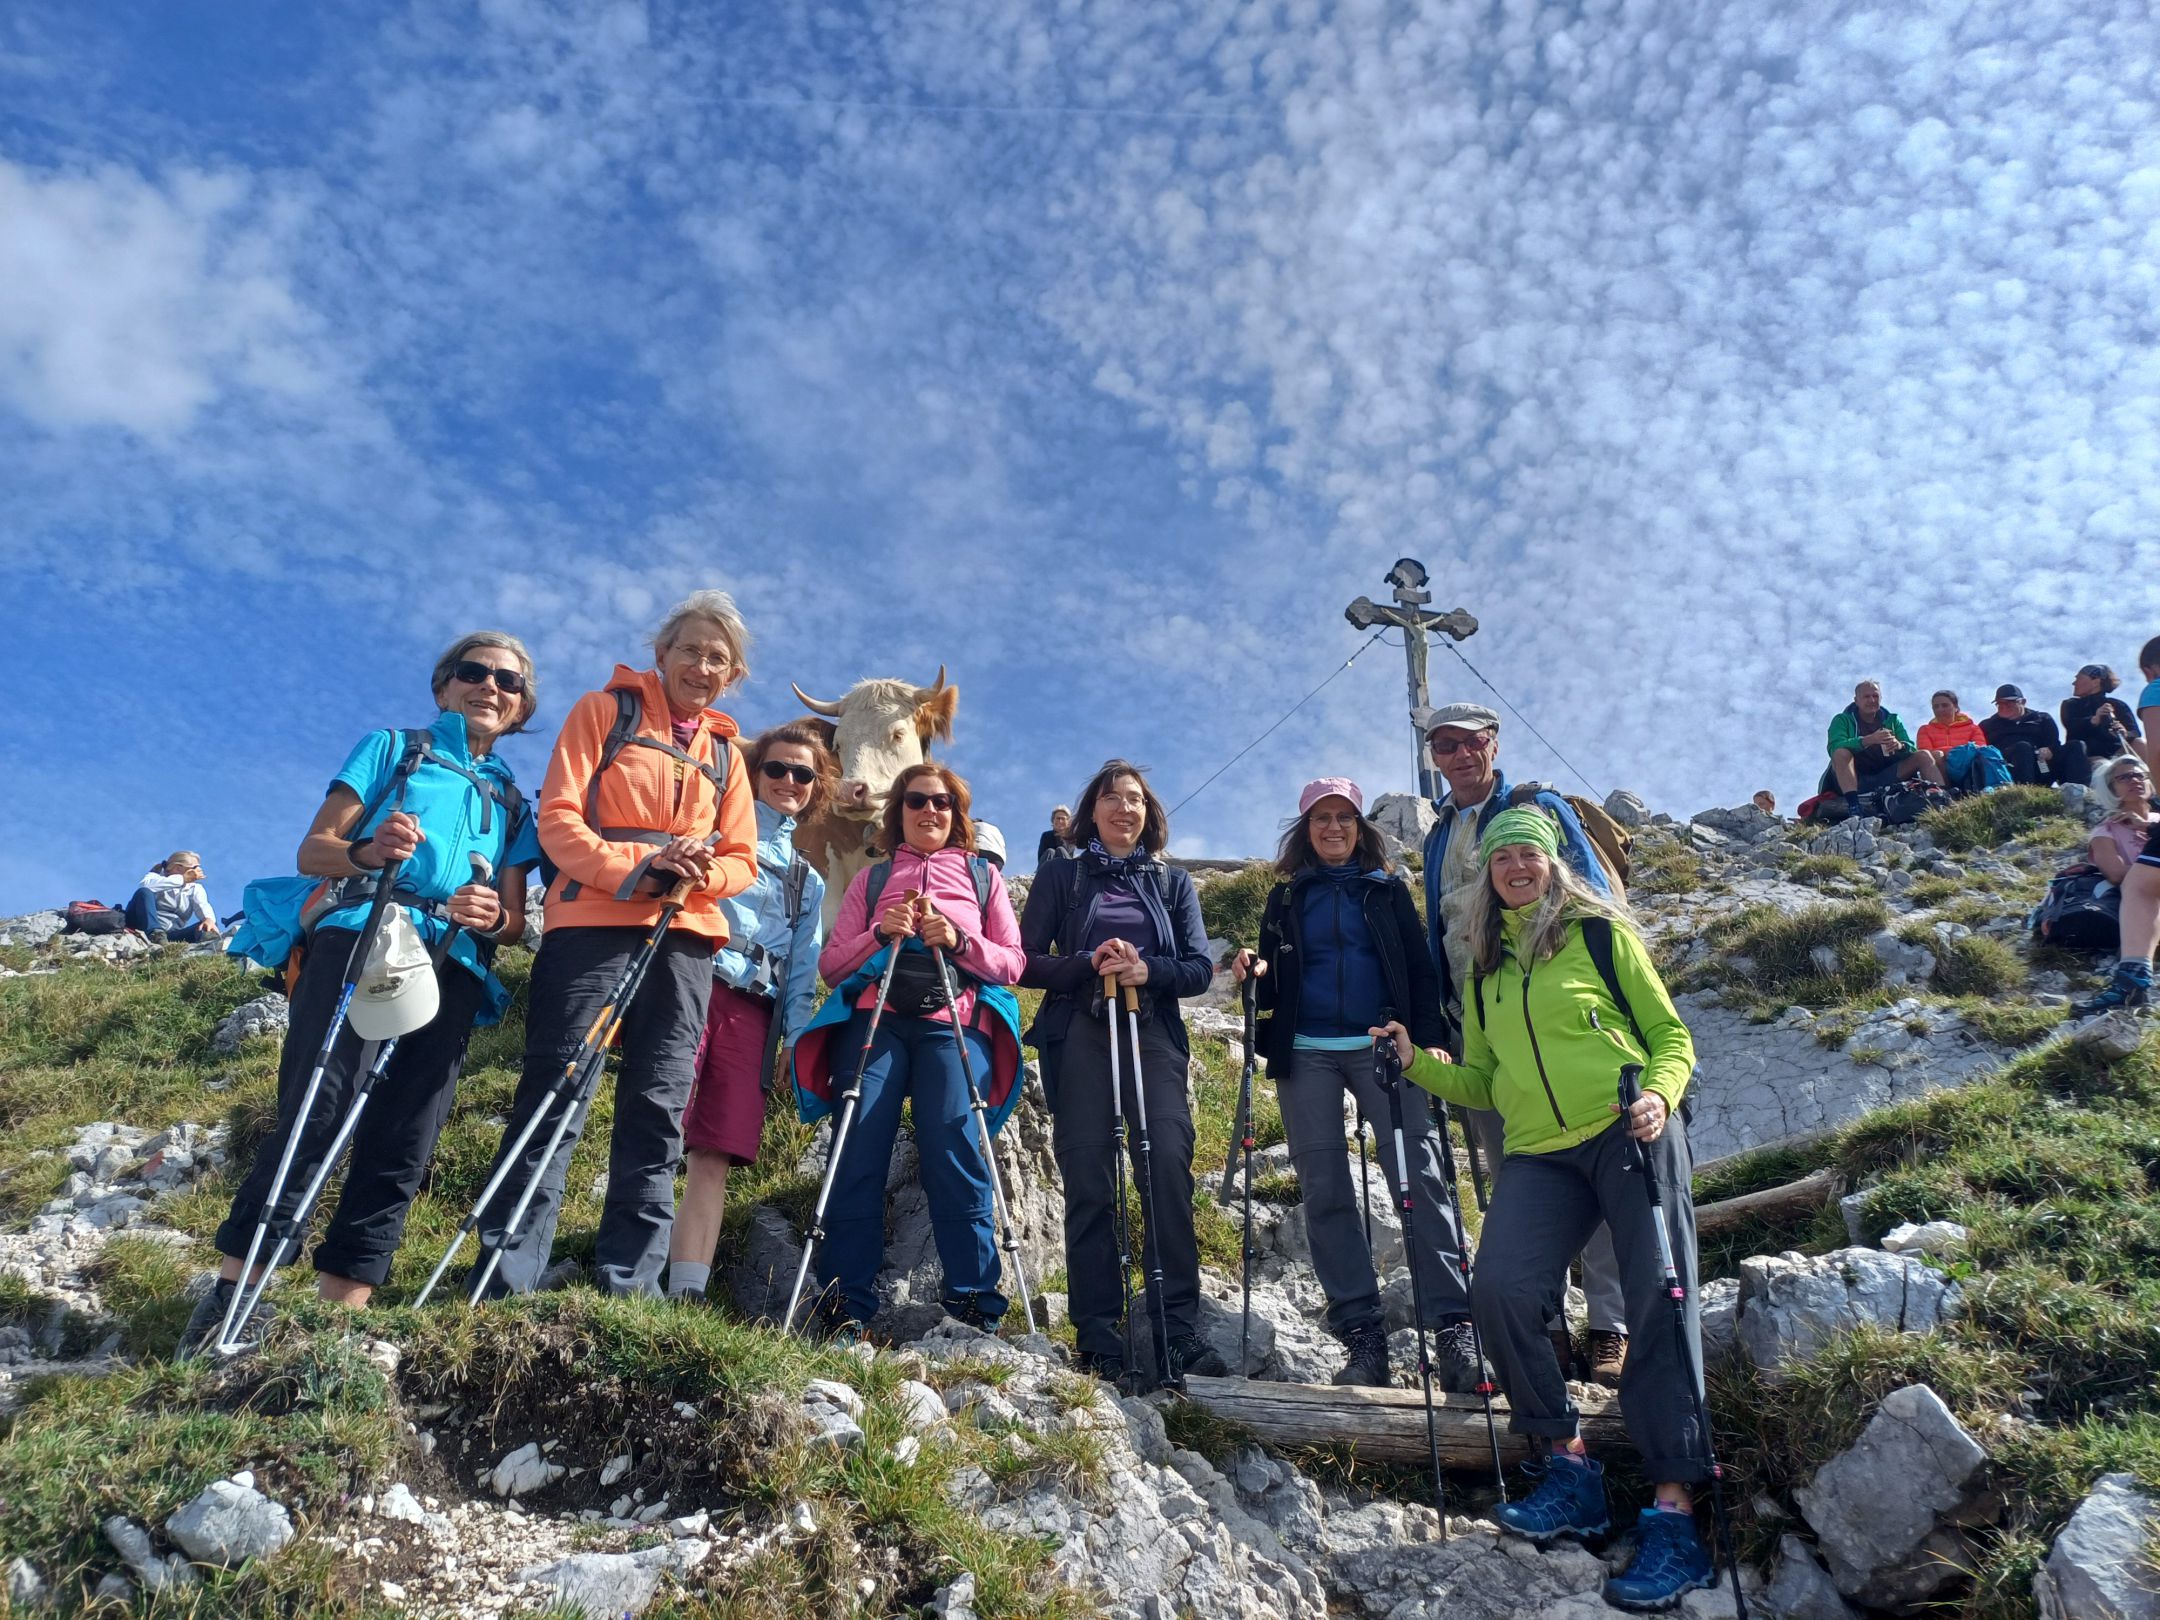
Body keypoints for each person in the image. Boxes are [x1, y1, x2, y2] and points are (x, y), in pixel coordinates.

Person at [1376, 807, 1713, 1611]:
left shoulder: (1600, 935)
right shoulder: (1483, 970)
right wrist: (1418, 1063)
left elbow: (1671, 1037)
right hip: (1538, 1150)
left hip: (1627, 1129)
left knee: (1660, 1301)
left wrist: (1661, 1097)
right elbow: (1487, 1083)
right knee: (1497, 1287)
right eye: (1503, 858)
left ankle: (1675, 1512)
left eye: (1529, 853)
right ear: (1487, 876)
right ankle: (1566, 1464)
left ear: (1553, 862)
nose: (1518, 866)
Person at [181, 632, 542, 1350]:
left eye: (508, 682)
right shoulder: (391, 748)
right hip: (365, 927)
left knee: (407, 1136)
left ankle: (332, 1325)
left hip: (455, 964)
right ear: (444, 686)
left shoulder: (509, 798)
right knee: (319, 1107)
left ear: (521, 707)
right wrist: (367, 852)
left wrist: (495, 917)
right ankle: (233, 1300)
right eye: (474, 673)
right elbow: (314, 850)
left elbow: (510, 922)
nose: (490, 688)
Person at [472, 593, 758, 1298]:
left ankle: (629, 1282)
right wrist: (637, 871)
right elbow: (559, 819)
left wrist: (700, 873)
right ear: (660, 654)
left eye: (717, 658)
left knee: (659, 1105)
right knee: (558, 1090)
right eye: (689, 649)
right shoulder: (603, 714)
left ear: (732, 675)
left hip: (687, 937)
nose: (701, 665)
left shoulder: (728, 753)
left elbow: (743, 859)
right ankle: (507, 1278)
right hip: (591, 923)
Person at [1228, 778, 1485, 1392]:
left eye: (1345, 817)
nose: (1334, 827)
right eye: (1322, 818)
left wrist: (1428, 1039)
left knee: (1419, 1175)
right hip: (1306, 1051)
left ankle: (1454, 1326)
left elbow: (1419, 970)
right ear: (1305, 829)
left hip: (1384, 1044)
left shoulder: (1387, 890)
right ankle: (1362, 1335)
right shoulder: (1286, 897)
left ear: (1360, 827)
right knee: (1325, 1188)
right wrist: (1252, 967)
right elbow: (1270, 967)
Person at [1419, 701, 1630, 1388]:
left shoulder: (1535, 805)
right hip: (1478, 1021)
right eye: (1442, 747)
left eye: (1468, 743)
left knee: (1587, 1161)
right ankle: (1545, 1324)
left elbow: (1594, 899)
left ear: (1492, 743)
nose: (1456, 756)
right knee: (1515, 1177)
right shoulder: (1436, 836)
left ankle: (1609, 1325)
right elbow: (1438, 925)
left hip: (1555, 1017)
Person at [789, 761, 1029, 1338]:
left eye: (942, 803)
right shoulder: (872, 882)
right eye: (917, 801)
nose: (930, 811)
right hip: (878, 1017)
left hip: (956, 1019)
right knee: (856, 1144)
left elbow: (1013, 963)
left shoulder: (982, 878)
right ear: (898, 813)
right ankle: (845, 1302)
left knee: (955, 1142)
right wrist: (878, 932)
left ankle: (973, 1297)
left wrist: (959, 937)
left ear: (957, 814)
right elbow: (830, 965)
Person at [1019, 759, 1227, 1381]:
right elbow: (1024, 961)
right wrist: (1090, 962)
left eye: (1135, 800)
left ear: (1149, 813)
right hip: (1078, 1031)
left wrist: (1146, 970)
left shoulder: (1173, 883)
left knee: (1165, 1163)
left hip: (1152, 1030)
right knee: (1089, 1175)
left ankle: (1177, 1329)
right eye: (1111, 799)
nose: (1124, 809)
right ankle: (1099, 1334)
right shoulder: (1062, 876)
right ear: (1092, 812)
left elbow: (1196, 967)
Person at [665, 721, 834, 1304]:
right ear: (752, 773)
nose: (789, 781)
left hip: (754, 1014)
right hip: (692, 981)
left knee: (713, 1148)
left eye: (803, 774)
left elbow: (804, 967)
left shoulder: (808, 880)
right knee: (659, 1127)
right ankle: (631, 1275)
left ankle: (685, 1291)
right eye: (777, 769)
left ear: (816, 787)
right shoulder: (710, 833)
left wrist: (797, 1038)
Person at [1824, 679, 1946, 811]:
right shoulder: (1842, 720)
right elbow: (1834, 747)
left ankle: (1943, 797)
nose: (1872, 700)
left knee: (1923, 755)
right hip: (1855, 780)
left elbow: (1911, 747)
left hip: (1886, 775)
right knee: (1841, 752)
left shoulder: (1892, 719)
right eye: (1866, 696)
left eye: (1875, 696)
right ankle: (1854, 805)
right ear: (1856, 700)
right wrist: (1867, 740)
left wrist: (1900, 746)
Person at [1981, 684, 2089, 789]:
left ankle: (2078, 790)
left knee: (2076, 745)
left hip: (2042, 766)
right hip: (2009, 769)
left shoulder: (2042, 718)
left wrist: (2049, 750)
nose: (2004, 707)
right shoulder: (1988, 725)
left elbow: (2054, 743)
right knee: (2022, 747)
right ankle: (2024, 792)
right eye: (2000, 704)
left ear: (2022, 702)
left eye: (2009, 703)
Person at [1914, 691, 2009, 795]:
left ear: (1956, 707)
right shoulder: (1925, 730)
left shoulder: (1973, 728)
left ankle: (2000, 786)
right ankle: (1945, 792)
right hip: (1942, 766)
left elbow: (1980, 747)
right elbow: (1926, 753)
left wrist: (1959, 751)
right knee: (1936, 755)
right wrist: (1957, 750)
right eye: (1936, 707)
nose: (1940, 709)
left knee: (1988, 751)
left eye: (1945, 705)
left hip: (1967, 763)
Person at [2088, 755, 2158, 887]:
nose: (2135, 780)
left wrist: (2146, 826)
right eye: (2124, 777)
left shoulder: (2157, 819)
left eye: (2140, 775)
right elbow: (2116, 874)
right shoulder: (2105, 832)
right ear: (2111, 789)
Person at [125, 851, 220, 942]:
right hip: (142, 926)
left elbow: (202, 904)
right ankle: (154, 933)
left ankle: (165, 940)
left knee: (207, 926)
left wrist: (208, 919)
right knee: (144, 892)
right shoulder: (155, 877)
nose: (198, 870)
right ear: (178, 868)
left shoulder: (195, 888)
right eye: (195, 867)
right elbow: (144, 887)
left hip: (170, 934)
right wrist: (182, 879)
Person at [2061, 665, 2141, 770]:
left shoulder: (2118, 705)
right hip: (2087, 757)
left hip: (2117, 754)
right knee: (2101, 764)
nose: (2074, 683)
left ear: (2095, 681)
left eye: (2078, 678)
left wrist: (2125, 733)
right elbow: (2071, 727)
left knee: (2140, 743)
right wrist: (2094, 719)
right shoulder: (2071, 704)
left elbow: (2135, 732)